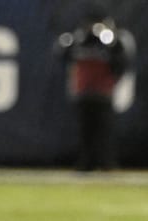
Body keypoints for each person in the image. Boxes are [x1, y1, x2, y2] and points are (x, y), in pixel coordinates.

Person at [55, 5, 135, 171]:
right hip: (84, 92)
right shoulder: (80, 40)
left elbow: (121, 60)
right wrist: (77, 38)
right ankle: (86, 163)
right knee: (86, 130)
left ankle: (106, 162)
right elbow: (61, 53)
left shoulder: (112, 41)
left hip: (103, 92)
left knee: (104, 129)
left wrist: (109, 39)